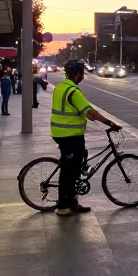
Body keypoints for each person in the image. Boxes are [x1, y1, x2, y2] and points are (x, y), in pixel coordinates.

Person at [50, 59, 119, 215]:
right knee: (69, 171)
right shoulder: (73, 91)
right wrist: (109, 123)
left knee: (79, 161)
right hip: (68, 134)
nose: (83, 76)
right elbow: (90, 113)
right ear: (77, 74)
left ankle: (73, 202)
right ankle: (63, 206)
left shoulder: (62, 87)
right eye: (82, 73)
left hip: (64, 133)